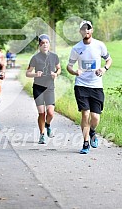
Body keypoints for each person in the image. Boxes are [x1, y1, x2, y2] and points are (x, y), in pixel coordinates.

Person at [67, 20, 112, 154]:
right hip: (81, 85)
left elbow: (109, 59)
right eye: (83, 29)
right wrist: (75, 72)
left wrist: (104, 69)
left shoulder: (99, 45)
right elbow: (69, 66)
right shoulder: (76, 48)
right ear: (80, 31)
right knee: (85, 114)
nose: (86, 31)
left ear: (91, 30)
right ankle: (86, 143)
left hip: (96, 86)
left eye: (88, 29)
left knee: (95, 117)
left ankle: (92, 132)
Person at [26, 34, 61, 144]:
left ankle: (48, 124)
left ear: (49, 44)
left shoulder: (54, 56)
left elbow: (59, 69)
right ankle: (42, 135)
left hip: (49, 87)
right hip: (38, 88)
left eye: (47, 43)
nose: (45, 45)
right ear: (39, 45)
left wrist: (56, 74)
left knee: (50, 113)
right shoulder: (35, 58)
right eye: (42, 43)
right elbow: (27, 73)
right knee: (41, 113)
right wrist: (35, 74)